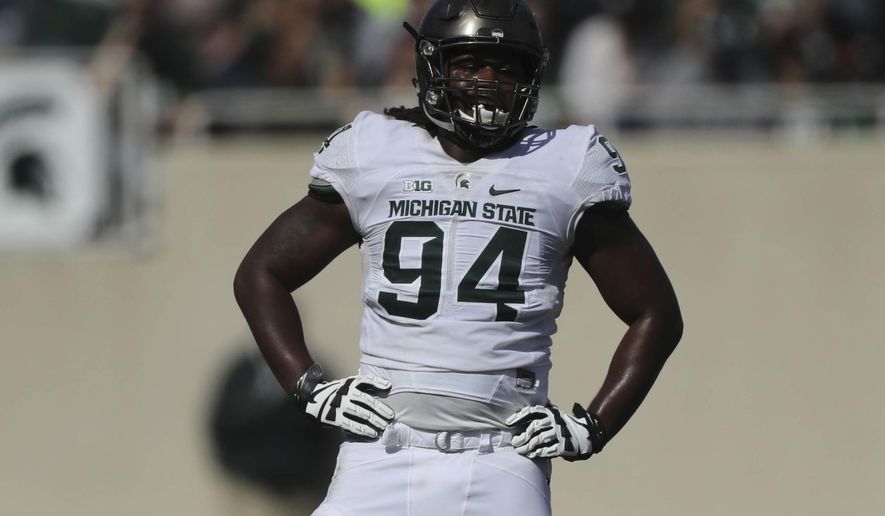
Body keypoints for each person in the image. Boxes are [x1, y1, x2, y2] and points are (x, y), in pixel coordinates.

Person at [233, 1, 683, 514]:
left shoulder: (563, 165)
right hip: (383, 449)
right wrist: (308, 386)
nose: (488, 81)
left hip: (501, 457)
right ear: (433, 67)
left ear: (531, 75)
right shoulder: (378, 153)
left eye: (505, 66)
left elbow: (657, 314)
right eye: (469, 64)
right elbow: (260, 274)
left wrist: (593, 424)